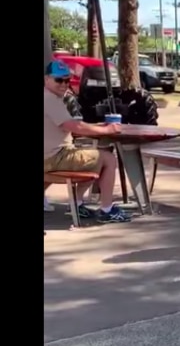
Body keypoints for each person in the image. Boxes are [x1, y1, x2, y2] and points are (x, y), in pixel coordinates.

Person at [44, 60, 132, 223]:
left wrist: (96, 126)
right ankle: (107, 209)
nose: (64, 84)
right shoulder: (49, 99)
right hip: (53, 157)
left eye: (67, 80)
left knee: (91, 157)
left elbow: (68, 125)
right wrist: (106, 130)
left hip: (52, 155)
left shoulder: (51, 97)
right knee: (107, 159)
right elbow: (72, 125)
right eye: (59, 80)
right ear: (46, 79)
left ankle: (76, 204)